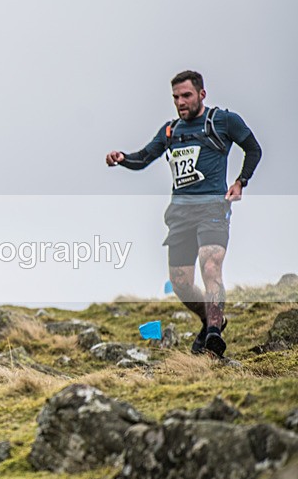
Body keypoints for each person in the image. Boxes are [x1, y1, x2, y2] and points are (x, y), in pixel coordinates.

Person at [106, 70, 262, 358]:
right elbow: (144, 158)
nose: (180, 102)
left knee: (211, 266)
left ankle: (214, 333)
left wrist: (241, 181)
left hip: (213, 209)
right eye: (176, 97)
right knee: (180, 283)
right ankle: (211, 321)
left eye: (186, 95)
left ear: (202, 94)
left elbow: (253, 149)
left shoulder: (223, 121)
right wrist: (122, 159)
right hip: (180, 215)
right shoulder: (171, 131)